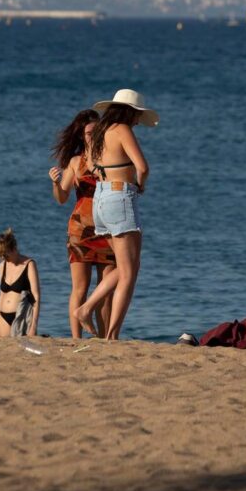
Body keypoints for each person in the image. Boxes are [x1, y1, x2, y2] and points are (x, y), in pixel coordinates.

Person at [73, 89, 156, 340]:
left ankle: (94, 315)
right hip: (120, 197)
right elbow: (142, 166)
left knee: (126, 266)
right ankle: (107, 331)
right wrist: (141, 183)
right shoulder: (121, 129)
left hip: (100, 198)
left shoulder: (98, 132)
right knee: (129, 273)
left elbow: (93, 167)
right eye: (136, 116)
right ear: (128, 111)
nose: (136, 122)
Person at [49, 108, 117, 338]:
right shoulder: (76, 162)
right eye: (89, 133)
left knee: (105, 291)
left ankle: (105, 337)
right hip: (81, 230)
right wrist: (56, 184)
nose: (93, 135)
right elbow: (62, 198)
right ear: (81, 135)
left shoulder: (109, 157)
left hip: (107, 228)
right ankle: (76, 338)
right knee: (80, 288)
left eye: (97, 131)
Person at [0, 229, 41, 337]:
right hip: (3, 318)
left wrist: (33, 326)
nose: (4, 259)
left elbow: (36, 296)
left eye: (6, 255)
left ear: (14, 249)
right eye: (2, 256)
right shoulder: (2, 266)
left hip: (21, 315)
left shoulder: (29, 264)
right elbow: (1, 295)